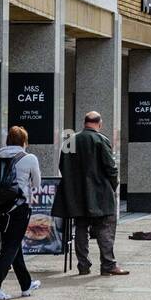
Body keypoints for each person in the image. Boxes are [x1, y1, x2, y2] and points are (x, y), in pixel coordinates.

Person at [52, 111, 126, 277]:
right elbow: (111, 168)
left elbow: (62, 166)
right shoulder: (101, 140)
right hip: (100, 194)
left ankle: (83, 265)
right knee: (105, 228)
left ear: (85, 122)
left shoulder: (70, 140)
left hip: (76, 195)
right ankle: (108, 264)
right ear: (99, 124)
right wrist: (112, 187)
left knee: (80, 227)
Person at [0, 126, 43, 300]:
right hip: (18, 209)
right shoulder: (29, 158)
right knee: (11, 247)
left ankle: (26, 284)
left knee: (13, 246)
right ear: (24, 142)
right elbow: (37, 184)